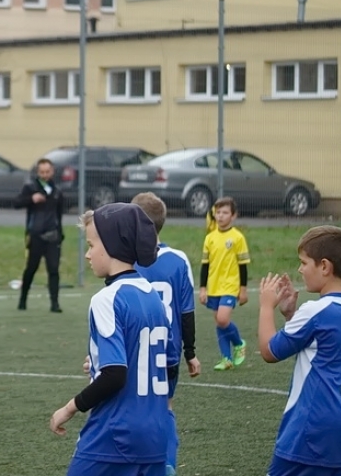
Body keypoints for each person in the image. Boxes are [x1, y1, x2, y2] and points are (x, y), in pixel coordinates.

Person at [50, 203, 169, 476]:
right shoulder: (153, 296)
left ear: (112, 244)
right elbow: (163, 363)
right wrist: (97, 361)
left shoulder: (107, 298)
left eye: (92, 245)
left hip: (115, 433)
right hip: (155, 432)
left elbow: (115, 374)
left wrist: (69, 408)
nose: (88, 255)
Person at [258, 225, 341, 476]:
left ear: (325, 267)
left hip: (312, 430)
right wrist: (290, 315)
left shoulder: (315, 311)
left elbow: (269, 351)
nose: (300, 269)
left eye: (304, 263)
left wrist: (266, 306)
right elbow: (321, 344)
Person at [131, 192, 199, 476]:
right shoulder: (178, 260)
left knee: (133, 409)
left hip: (134, 353)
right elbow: (186, 312)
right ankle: (167, 463)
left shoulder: (125, 260)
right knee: (165, 408)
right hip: (168, 352)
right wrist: (191, 353)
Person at [199, 196, 249, 371]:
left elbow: (243, 266)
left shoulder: (237, 238)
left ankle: (239, 343)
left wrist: (243, 290)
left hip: (230, 286)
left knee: (222, 318)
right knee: (219, 322)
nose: (220, 216)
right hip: (213, 287)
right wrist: (203, 288)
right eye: (218, 212)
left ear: (233, 216)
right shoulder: (210, 238)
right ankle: (226, 358)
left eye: (225, 212)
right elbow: (205, 265)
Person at [13, 158, 65, 313]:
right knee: (31, 268)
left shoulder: (57, 191)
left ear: (52, 172)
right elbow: (16, 203)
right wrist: (31, 199)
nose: (45, 175)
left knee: (53, 269)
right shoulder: (30, 188)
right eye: (42, 172)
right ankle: (23, 300)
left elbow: (59, 214)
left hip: (53, 236)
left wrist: (60, 234)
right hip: (35, 235)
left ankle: (54, 303)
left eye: (47, 172)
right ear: (38, 172)